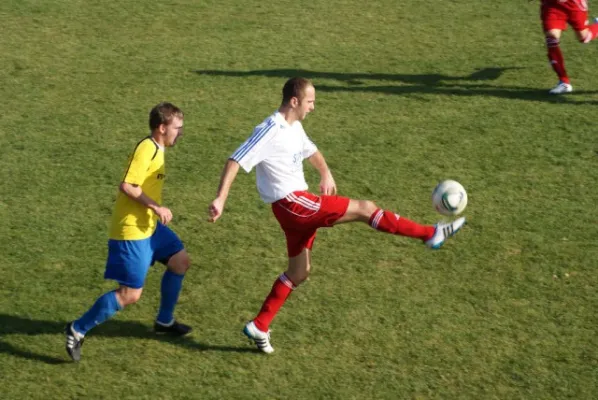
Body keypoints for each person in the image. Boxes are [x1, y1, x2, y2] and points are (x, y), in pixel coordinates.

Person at [208, 77, 466, 354]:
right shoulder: (269, 129)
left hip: (292, 208)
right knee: (365, 208)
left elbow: (311, 150)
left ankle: (260, 325)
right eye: (310, 102)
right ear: (294, 102)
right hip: (294, 204)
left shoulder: (294, 127)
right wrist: (221, 199)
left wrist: (325, 171)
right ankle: (430, 234)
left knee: (299, 271)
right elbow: (236, 159)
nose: (314, 107)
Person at [65, 102, 192, 361]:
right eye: (177, 128)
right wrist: (157, 206)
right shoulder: (146, 149)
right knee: (130, 294)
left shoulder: (159, 147)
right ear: (161, 127)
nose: (180, 133)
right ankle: (77, 330)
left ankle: (164, 322)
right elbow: (127, 185)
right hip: (132, 230)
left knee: (180, 261)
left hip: (150, 226)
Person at [541, 0, 598, 94]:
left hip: (573, 4)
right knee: (552, 37)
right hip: (552, 5)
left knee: (584, 37)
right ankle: (564, 82)